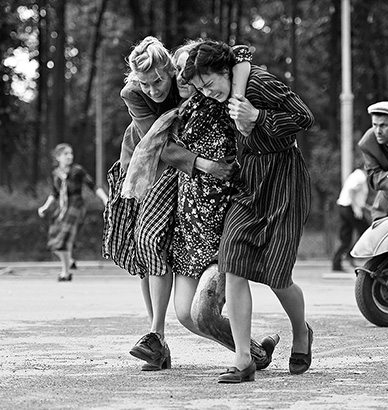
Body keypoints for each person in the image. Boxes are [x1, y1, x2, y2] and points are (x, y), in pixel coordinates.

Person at [102, 36, 275, 371]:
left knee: (154, 240)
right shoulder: (134, 93)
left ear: (171, 69)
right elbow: (160, 145)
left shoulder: (190, 83)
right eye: (144, 83)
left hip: (184, 174)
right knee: (147, 245)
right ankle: (157, 337)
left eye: (158, 81)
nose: (153, 89)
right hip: (145, 167)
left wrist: (237, 98)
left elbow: (235, 58)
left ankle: (164, 338)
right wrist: (206, 165)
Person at [182, 39, 315, 383]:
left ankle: (301, 332)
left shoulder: (259, 83)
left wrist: (258, 116)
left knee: (276, 274)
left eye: (210, 84)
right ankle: (243, 359)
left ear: (225, 72)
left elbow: (304, 116)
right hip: (249, 182)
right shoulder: (225, 91)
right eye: (200, 88)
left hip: (284, 181)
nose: (207, 93)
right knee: (233, 264)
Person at [38, 143, 101, 281]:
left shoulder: (77, 171)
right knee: (54, 239)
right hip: (62, 209)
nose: (69, 156)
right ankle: (70, 261)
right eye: (65, 154)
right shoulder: (56, 173)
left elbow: (93, 186)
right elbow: (54, 193)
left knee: (63, 241)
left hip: (75, 207)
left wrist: (106, 200)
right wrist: (45, 207)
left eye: (71, 153)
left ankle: (65, 273)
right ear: (58, 157)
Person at [331, 166, 370, 272]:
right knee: (366, 231)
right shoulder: (360, 176)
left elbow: (357, 196)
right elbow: (352, 191)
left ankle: (337, 262)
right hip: (350, 208)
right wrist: (356, 208)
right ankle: (351, 254)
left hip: (343, 206)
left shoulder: (355, 175)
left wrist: (367, 207)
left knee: (346, 237)